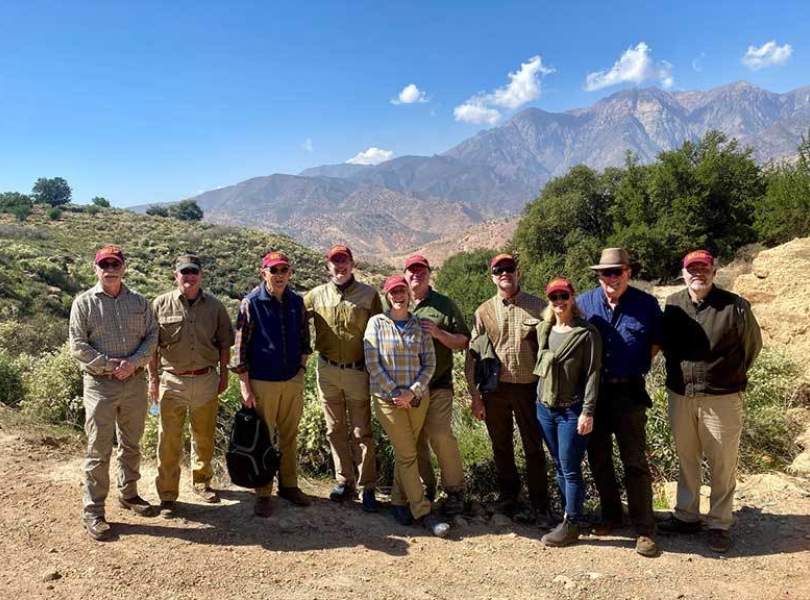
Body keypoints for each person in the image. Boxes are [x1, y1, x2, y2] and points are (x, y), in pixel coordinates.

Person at [660, 250, 762, 553]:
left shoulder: (735, 307)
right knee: (687, 457)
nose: (698, 274)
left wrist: (729, 377)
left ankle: (719, 523)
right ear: (683, 273)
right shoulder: (673, 304)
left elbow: (751, 347)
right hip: (681, 394)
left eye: (703, 268)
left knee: (722, 462)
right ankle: (687, 515)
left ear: (713, 271)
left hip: (722, 397)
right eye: (692, 269)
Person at [69, 245, 158, 540]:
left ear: (124, 267)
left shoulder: (139, 302)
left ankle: (129, 495)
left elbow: (152, 336)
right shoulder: (83, 304)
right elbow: (78, 345)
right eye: (104, 264)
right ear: (96, 268)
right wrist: (110, 366)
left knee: (131, 443)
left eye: (114, 264)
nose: (110, 269)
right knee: (99, 449)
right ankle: (93, 512)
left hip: (134, 383)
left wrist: (132, 363)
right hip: (99, 384)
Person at [577, 247, 662, 557]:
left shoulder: (646, 304)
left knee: (635, 461)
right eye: (605, 273)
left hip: (629, 392)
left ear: (629, 272)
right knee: (599, 459)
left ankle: (644, 528)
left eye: (617, 271)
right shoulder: (584, 303)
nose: (611, 278)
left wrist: (632, 365)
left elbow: (655, 344)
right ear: (598, 276)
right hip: (594, 394)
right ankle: (612, 516)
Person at [464, 254, 553, 527]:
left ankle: (540, 503)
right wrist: (475, 395)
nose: (505, 273)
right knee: (501, 446)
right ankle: (509, 498)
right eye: (498, 270)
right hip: (495, 390)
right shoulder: (484, 311)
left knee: (533, 448)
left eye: (509, 269)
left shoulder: (539, 307)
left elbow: (552, 348)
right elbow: (472, 356)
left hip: (529, 388)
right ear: (492, 276)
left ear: (518, 272)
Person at [363, 275, 449, 537]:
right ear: (386, 296)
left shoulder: (419, 326)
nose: (398, 295)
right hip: (388, 400)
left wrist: (412, 392)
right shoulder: (376, 323)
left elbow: (429, 364)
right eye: (393, 292)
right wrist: (395, 392)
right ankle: (423, 511)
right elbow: (372, 361)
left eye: (401, 290)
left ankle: (400, 502)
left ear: (407, 294)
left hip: (416, 400)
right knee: (408, 453)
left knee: (408, 451)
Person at [148, 254, 234, 513]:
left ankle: (202, 483)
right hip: (171, 381)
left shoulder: (216, 307)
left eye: (193, 272)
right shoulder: (160, 305)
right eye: (184, 272)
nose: (189, 276)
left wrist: (223, 376)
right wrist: (152, 380)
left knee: (204, 437)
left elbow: (224, 344)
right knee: (169, 441)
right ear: (176, 275)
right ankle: (167, 495)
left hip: (206, 380)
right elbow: (152, 348)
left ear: (201, 275)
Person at [231, 251, 312, 517]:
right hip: (262, 382)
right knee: (262, 439)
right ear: (263, 272)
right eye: (273, 270)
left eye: (283, 270)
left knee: (289, 435)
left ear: (290, 273)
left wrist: (301, 369)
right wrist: (245, 385)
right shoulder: (251, 303)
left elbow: (304, 340)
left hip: (291, 380)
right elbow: (239, 348)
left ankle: (289, 485)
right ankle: (263, 492)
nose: (279, 275)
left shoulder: (296, 302)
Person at [304, 244, 382, 511]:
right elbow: (293, 319)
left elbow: (380, 331)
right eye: (335, 262)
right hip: (326, 369)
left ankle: (367, 486)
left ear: (352, 264)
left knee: (362, 431)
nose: (340, 266)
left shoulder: (369, 295)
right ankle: (344, 481)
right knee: (334, 429)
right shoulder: (315, 295)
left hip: (358, 370)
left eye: (344, 261)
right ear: (328, 266)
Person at [534, 278, 602, 547]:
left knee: (570, 468)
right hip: (545, 408)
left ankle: (572, 523)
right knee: (560, 466)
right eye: (554, 297)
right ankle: (568, 517)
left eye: (564, 296)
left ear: (573, 297)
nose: (559, 302)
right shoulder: (545, 329)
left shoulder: (586, 333)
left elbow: (593, 374)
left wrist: (588, 411)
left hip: (571, 410)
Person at [400, 254, 470, 515]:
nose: (416, 274)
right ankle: (424, 490)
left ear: (429, 273)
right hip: (408, 389)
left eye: (421, 270)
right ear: (405, 274)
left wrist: (440, 334)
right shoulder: (398, 302)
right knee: (414, 441)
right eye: (411, 270)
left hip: (438, 383)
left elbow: (463, 340)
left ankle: (455, 491)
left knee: (440, 435)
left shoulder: (443, 305)